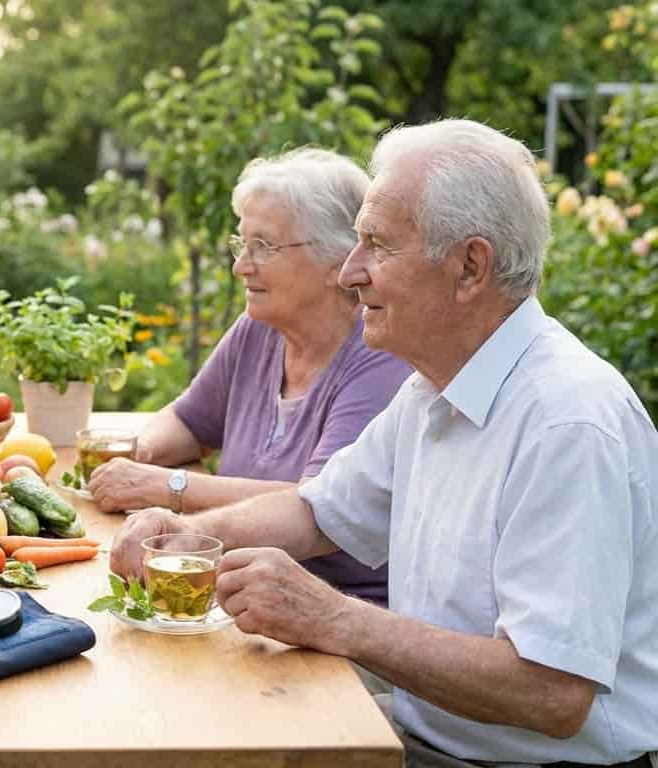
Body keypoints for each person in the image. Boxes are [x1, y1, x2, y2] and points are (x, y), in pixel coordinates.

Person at [110, 120, 657, 767]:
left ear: (469, 267)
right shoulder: (434, 388)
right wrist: (187, 533)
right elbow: (319, 511)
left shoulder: (567, 421)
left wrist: (335, 619)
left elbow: (552, 692)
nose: (350, 272)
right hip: (426, 740)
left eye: (377, 245)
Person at [88, 148, 409, 605]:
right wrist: (133, 459)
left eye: (264, 246)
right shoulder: (259, 330)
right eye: (243, 245)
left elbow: (318, 505)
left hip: (335, 627)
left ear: (336, 259)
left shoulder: (380, 356)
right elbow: (185, 422)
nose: (241, 266)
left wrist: (169, 488)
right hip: (239, 599)